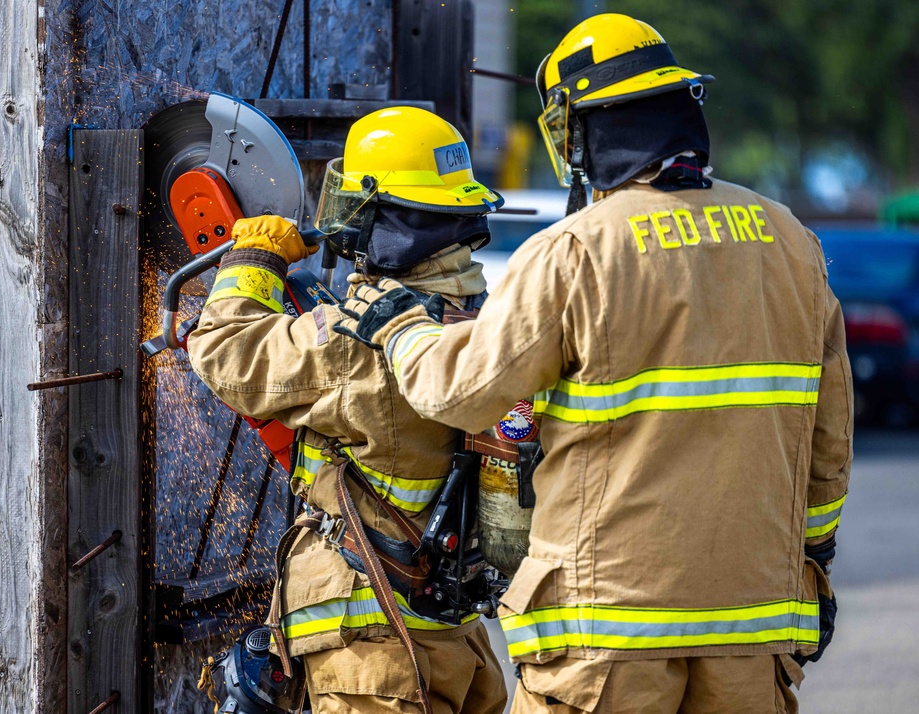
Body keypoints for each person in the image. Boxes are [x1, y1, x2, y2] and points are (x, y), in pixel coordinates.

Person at [336, 13, 852, 714]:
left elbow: (459, 392)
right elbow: (827, 439)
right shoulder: (789, 241)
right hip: (752, 624)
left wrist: (395, 323)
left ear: (581, 132)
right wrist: (812, 556)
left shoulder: (575, 252)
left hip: (607, 633)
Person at [186, 105, 508, 714]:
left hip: (375, 655)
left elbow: (224, 353)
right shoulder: (488, 319)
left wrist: (252, 260)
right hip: (459, 645)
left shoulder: (358, 336)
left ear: (376, 212)